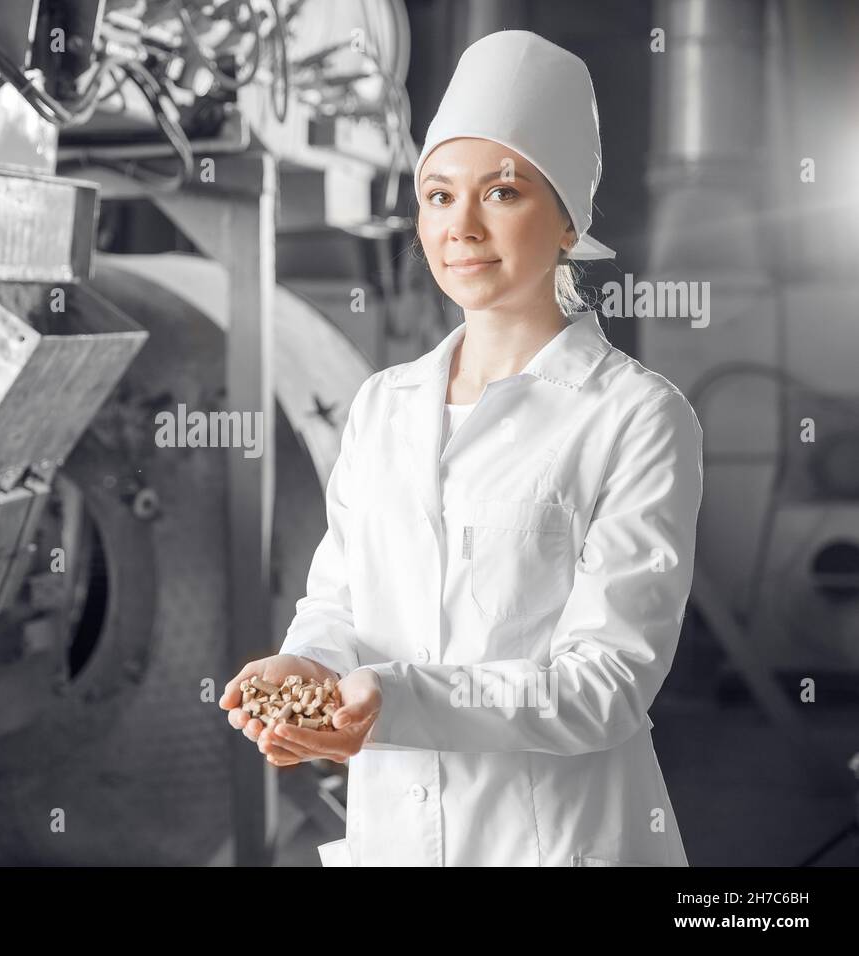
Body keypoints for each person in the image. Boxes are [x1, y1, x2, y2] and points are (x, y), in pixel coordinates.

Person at [219, 30, 704, 866]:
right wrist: (305, 665)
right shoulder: (384, 404)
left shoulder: (635, 417)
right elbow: (339, 601)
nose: (462, 227)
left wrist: (392, 700)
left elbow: (607, 685)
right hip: (397, 839)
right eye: (439, 196)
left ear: (568, 222)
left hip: (555, 843)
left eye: (503, 192)